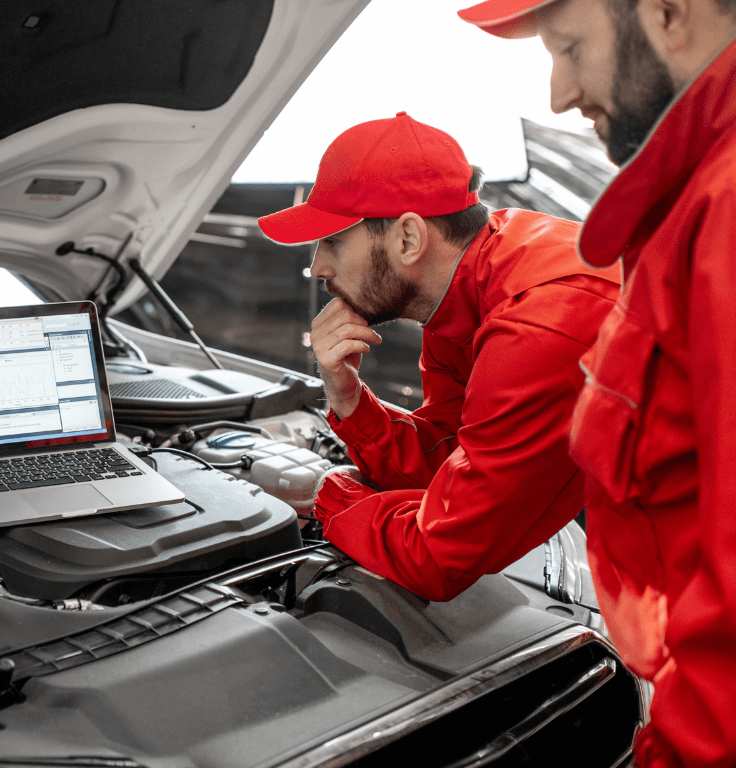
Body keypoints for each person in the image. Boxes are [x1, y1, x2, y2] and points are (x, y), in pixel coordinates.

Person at [458, 1, 736, 766]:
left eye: (569, 46)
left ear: (670, 13)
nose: (557, 94)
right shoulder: (692, 201)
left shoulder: (726, 208)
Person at [257, 112, 620, 603]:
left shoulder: (539, 321)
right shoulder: (467, 292)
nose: (317, 265)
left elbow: (439, 557)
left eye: (334, 242)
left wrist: (325, 493)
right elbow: (451, 459)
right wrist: (348, 399)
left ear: (408, 238)